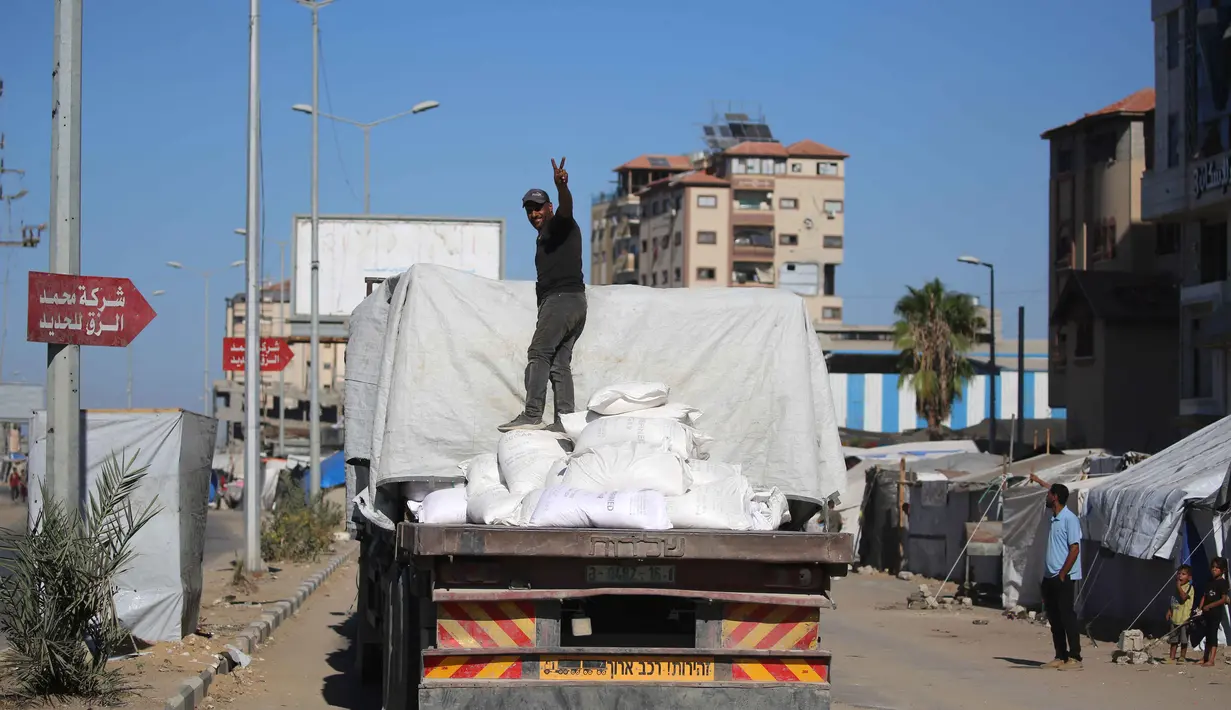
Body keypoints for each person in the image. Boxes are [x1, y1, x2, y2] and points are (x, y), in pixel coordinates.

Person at [499, 157, 586, 433]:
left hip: (561, 300)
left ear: (549, 207)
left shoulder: (560, 225)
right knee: (560, 363)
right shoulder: (544, 238)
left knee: (539, 352)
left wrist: (561, 186)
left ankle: (532, 414)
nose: (534, 214)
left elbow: (567, 207)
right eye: (529, 210)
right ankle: (565, 421)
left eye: (538, 208)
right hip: (575, 303)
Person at [1028, 474, 1083, 670]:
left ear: (1055, 497)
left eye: (1048, 494)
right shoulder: (1054, 518)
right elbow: (1052, 487)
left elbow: (1074, 548)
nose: (1046, 496)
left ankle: (1075, 657)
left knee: (1067, 615)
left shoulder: (1070, 519)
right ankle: (1060, 655)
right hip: (1049, 576)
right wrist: (1038, 480)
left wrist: (1062, 574)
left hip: (1063, 577)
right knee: (1054, 617)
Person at [1196, 557, 1230, 667]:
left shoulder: (1223, 583)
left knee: (1213, 635)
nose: (1214, 569)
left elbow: (1223, 599)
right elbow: (1204, 596)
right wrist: (1200, 608)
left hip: (1215, 613)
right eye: (1213, 567)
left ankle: (1212, 659)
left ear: (1223, 570)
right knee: (1207, 634)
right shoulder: (1209, 581)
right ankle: (1205, 657)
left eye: (1217, 568)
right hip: (1206, 612)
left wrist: (1210, 605)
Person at [1166, 564, 1194, 664]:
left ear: (1189, 577)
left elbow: (1183, 597)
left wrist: (1178, 587)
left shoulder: (1189, 588)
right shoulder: (1175, 588)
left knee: (1183, 639)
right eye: (1178, 574)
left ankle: (1182, 656)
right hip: (1175, 617)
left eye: (1183, 574)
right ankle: (1172, 657)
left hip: (1184, 618)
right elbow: (1173, 600)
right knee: (1173, 639)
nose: (1180, 576)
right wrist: (1169, 610)